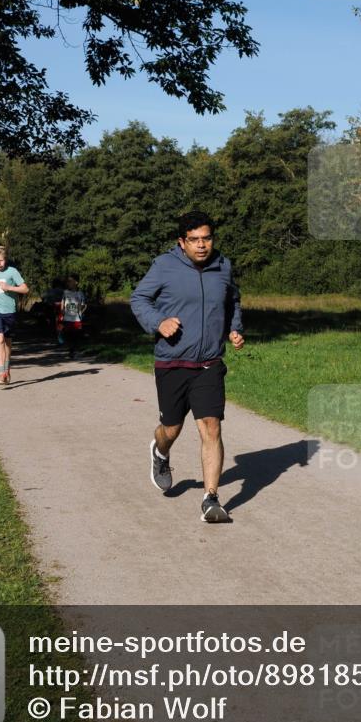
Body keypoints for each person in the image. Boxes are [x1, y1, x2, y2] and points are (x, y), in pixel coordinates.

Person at [130, 211, 244, 523]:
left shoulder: (223, 265)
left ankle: (211, 498)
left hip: (208, 362)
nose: (202, 245)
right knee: (172, 428)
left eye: (206, 238)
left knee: (211, 426)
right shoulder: (164, 265)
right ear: (182, 242)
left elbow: (232, 300)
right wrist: (158, 322)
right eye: (194, 240)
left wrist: (234, 328)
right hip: (172, 361)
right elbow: (139, 299)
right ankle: (160, 451)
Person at [0, 245, 29, 386]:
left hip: (10, 310)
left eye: (2, 260)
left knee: (8, 342)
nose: (0, 263)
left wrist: (9, 287)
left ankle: (7, 369)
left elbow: (25, 289)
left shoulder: (12, 272)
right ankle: (2, 372)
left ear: (5, 260)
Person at [58, 275, 87, 359]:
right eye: (68, 281)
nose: (69, 283)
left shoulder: (80, 293)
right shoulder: (65, 292)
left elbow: (84, 305)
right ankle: (71, 351)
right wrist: (62, 310)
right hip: (67, 318)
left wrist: (81, 310)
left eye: (71, 281)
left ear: (76, 282)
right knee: (68, 335)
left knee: (76, 335)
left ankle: (75, 351)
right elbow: (62, 302)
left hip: (76, 318)